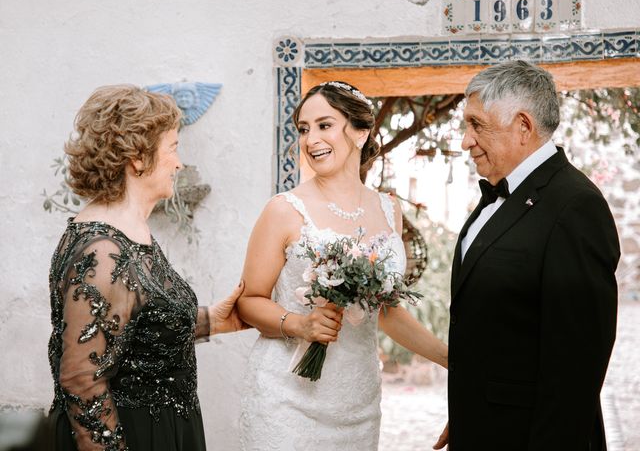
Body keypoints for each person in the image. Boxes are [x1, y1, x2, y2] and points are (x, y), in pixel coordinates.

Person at [236, 81, 449, 450]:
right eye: (304, 129)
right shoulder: (283, 209)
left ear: (361, 132)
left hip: (356, 400)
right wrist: (300, 324)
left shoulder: (389, 210)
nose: (311, 139)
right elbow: (248, 300)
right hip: (286, 399)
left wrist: (452, 360)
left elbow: (387, 312)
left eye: (324, 125)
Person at [47, 85, 247, 451]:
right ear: (138, 158)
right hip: (134, 435)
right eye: (172, 148)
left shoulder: (128, 230)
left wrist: (213, 320)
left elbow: (141, 327)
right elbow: (81, 380)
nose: (179, 162)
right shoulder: (103, 252)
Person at [447, 60, 620, 450]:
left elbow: (576, 370)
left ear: (523, 126)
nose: (465, 140)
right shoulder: (499, 194)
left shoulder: (575, 207)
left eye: (477, 125)